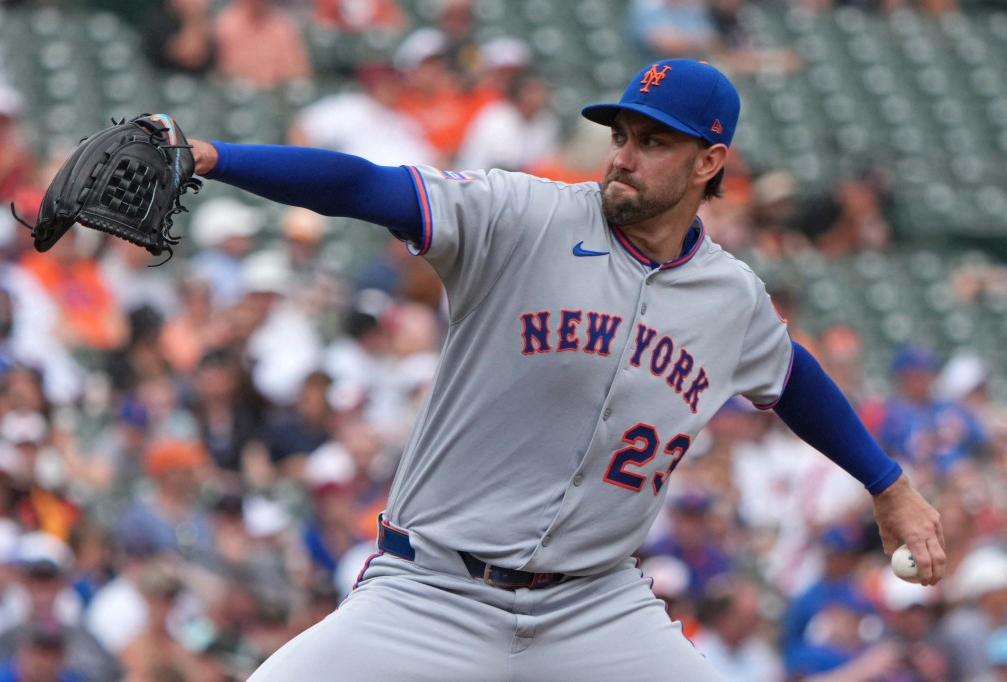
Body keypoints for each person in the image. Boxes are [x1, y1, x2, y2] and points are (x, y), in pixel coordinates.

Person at [176, 58, 944, 680]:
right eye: (623, 134)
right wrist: (213, 156)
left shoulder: (729, 296)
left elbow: (792, 377)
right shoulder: (522, 216)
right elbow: (363, 185)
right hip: (434, 589)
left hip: (594, 607)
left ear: (710, 162)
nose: (624, 156)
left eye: (654, 142)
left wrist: (889, 485)